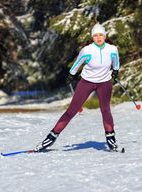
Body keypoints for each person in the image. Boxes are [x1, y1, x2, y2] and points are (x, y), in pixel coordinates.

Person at [35, 23, 119, 151]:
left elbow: (116, 61)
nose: (98, 38)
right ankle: (50, 138)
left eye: (101, 35)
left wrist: (116, 71)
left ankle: (111, 139)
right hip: (87, 82)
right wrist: (71, 75)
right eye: (95, 35)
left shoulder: (112, 49)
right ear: (92, 37)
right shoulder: (87, 50)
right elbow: (77, 64)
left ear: (105, 36)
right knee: (71, 111)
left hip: (104, 82)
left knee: (105, 110)